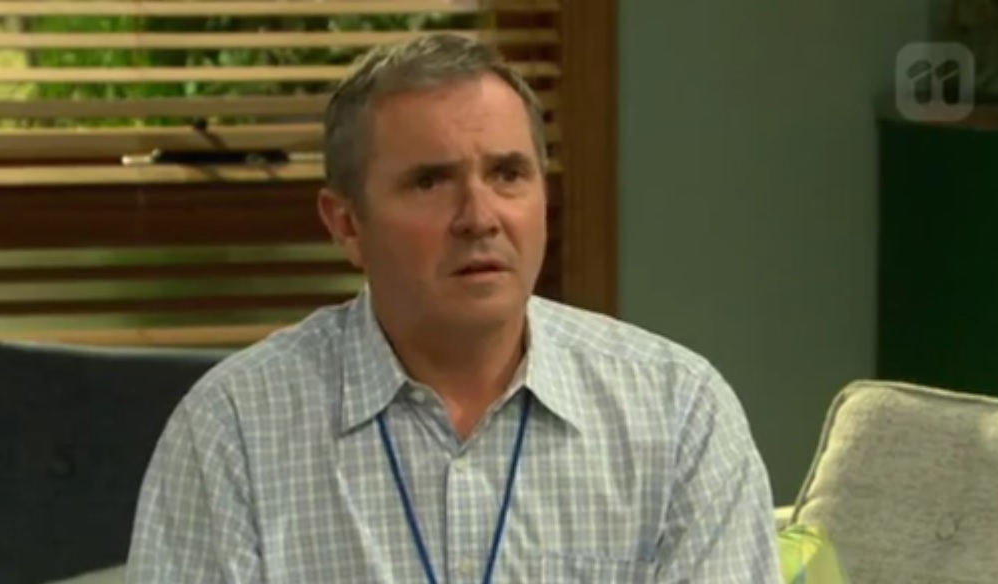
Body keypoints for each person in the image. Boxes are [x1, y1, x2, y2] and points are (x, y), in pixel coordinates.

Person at [126, 33, 781, 583]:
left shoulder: (677, 411)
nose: (479, 217)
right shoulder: (235, 429)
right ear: (347, 224)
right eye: (430, 181)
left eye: (507, 174)